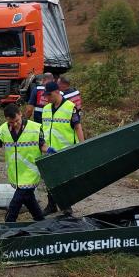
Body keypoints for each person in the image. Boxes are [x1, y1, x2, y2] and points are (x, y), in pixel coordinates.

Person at [0, 103, 53, 222]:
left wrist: (48, 149)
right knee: (29, 199)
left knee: (16, 202)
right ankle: (41, 221)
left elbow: (42, 145)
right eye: (11, 122)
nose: (14, 124)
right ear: (6, 119)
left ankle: (8, 224)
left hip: (30, 172)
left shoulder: (34, 128)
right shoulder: (3, 130)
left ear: (20, 114)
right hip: (16, 173)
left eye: (16, 120)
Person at [40, 81, 84, 214]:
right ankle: (51, 205)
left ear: (57, 92)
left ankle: (66, 206)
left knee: (65, 180)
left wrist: (82, 146)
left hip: (65, 150)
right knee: (49, 179)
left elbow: (77, 127)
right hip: (49, 150)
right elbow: (44, 129)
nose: (47, 98)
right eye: (46, 95)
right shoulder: (46, 109)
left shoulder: (70, 107)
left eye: (49, 95)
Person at [57, 74, 85, 142]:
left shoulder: (63, 96)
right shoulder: (76, 91)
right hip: (78, 115)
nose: (57, 85)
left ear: (63, 84)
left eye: (58, 83)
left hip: (68, 119)